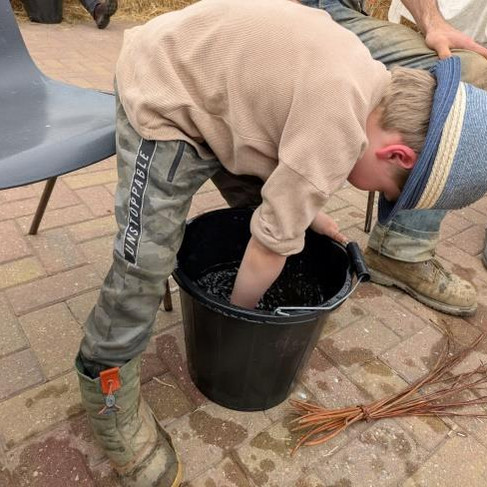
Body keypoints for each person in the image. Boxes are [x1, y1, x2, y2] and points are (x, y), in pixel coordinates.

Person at [75, 0, 487, 485]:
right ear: (395, 152)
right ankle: (104, 382)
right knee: (145, 260)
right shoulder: (337, 125)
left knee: (268, 212)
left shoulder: (368, 80)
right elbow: (273, 243)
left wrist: (308, 215)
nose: (373, 192)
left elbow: (297, 151)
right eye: (384, 189)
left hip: (227, 96)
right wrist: (240, 308)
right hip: (169, 87)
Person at [301, 0, 487, 316]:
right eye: (394, 195)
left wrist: (432, 21)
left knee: (473, 70)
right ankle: (403, 249)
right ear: (398, 157)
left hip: (343, 8)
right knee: (464, 74)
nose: (389, 198)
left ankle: (398, 250)